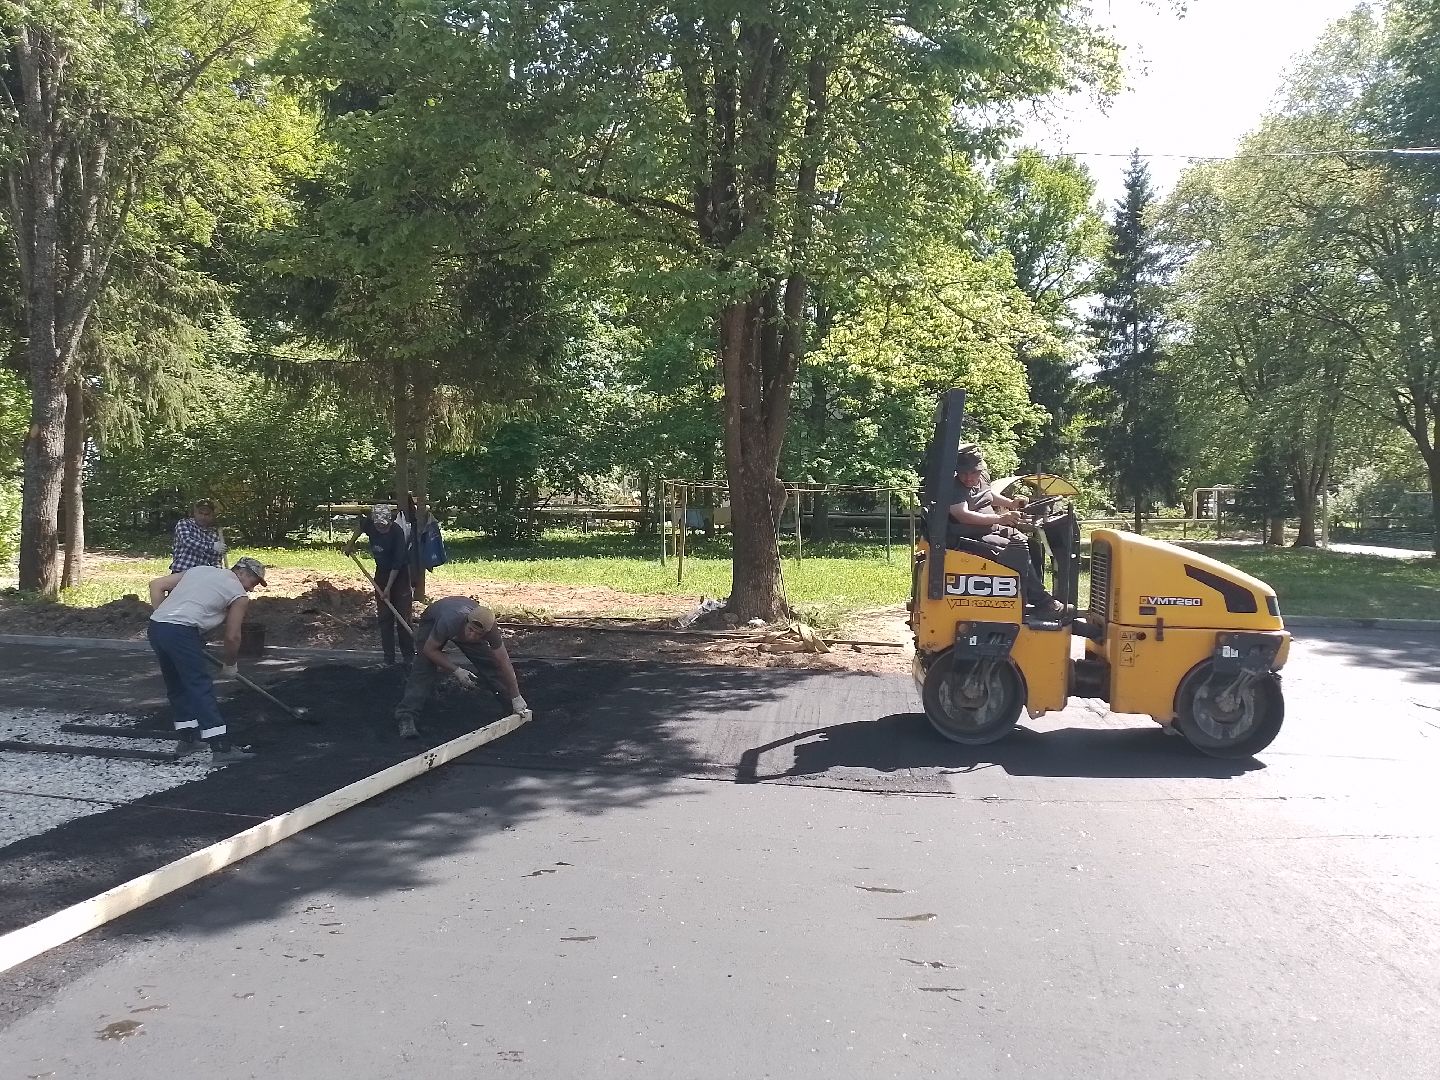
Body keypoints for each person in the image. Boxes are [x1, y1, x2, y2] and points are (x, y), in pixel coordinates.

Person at [146, 556, 268, 764]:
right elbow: (233, 636)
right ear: (241, 572)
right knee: (199, 686)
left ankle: (188, 739)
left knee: (177, 684)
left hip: (157, 628)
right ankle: (221, 748)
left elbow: (156, 584)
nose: (251, 589)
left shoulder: (200, 570)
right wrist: (230, 664)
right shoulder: (239, 595)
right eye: (253, 582)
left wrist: (166, 619)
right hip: (181, 632)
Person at [947, 444, 1069, 617]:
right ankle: (1043, 602)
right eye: (963, 473)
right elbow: (962, 515)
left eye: (973, 473)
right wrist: (1000, 519)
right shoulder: (953, 486)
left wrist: (1011, 503)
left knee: (1032, 545)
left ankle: (1029, 596)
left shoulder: (983, 477)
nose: (968, 478)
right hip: (968, 536)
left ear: (980, 469)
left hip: (989, 529)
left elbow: (988, 494)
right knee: (1017, 548)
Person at [394, 596, 530, 740]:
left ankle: (512, 706)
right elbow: (430, 650)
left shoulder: (490, 630)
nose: (472, 636)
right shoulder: (450, 621)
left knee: (490, 664)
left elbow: (504, 661)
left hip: (459, 622)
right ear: (466, 622)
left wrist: (516, 696)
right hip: (433, 620)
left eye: (478, 634)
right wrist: (456, 670)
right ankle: (406, 715)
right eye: (471, 630)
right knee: (424, 666)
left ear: (486, 633)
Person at [344, 505, 415, 667]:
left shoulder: (397, 533)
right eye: (378, 525)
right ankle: (388, 660)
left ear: (389, 521)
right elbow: (361, 526)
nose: (381, 528)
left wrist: (388, 589)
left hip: (400, 575)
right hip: (382, 573)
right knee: (385, 618)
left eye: (384, 525)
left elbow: (397, 564)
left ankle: (409, 658)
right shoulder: (370, 524)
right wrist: (350, 544)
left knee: (402, 616)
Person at [170, 498, 227, 574]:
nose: (203, 517)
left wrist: (219, 572)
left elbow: (215, 560)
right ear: (195, 513)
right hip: (182, 571)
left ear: (212, 515)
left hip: (203, 575)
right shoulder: (184, 524)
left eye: (207, 514)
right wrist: (212, 546)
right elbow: (187, 541)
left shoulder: (214, 534)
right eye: (200, 513)